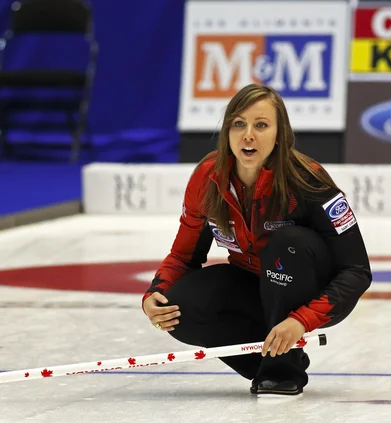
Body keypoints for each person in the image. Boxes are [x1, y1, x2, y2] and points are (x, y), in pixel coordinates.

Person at [142, 83, 372, 396]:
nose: (248, 135)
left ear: (281, 135)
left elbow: (356, 271)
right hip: (255, 285)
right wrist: (157, 291)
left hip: (312, 292)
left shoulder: (309, 180)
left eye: (261, 125)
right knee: (179, 309)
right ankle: (270, 364)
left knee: (286, 242)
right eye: (239, 124)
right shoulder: (207, 178)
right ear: (226, 133)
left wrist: (302, 321)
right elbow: (184, 256)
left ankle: (283, 368)